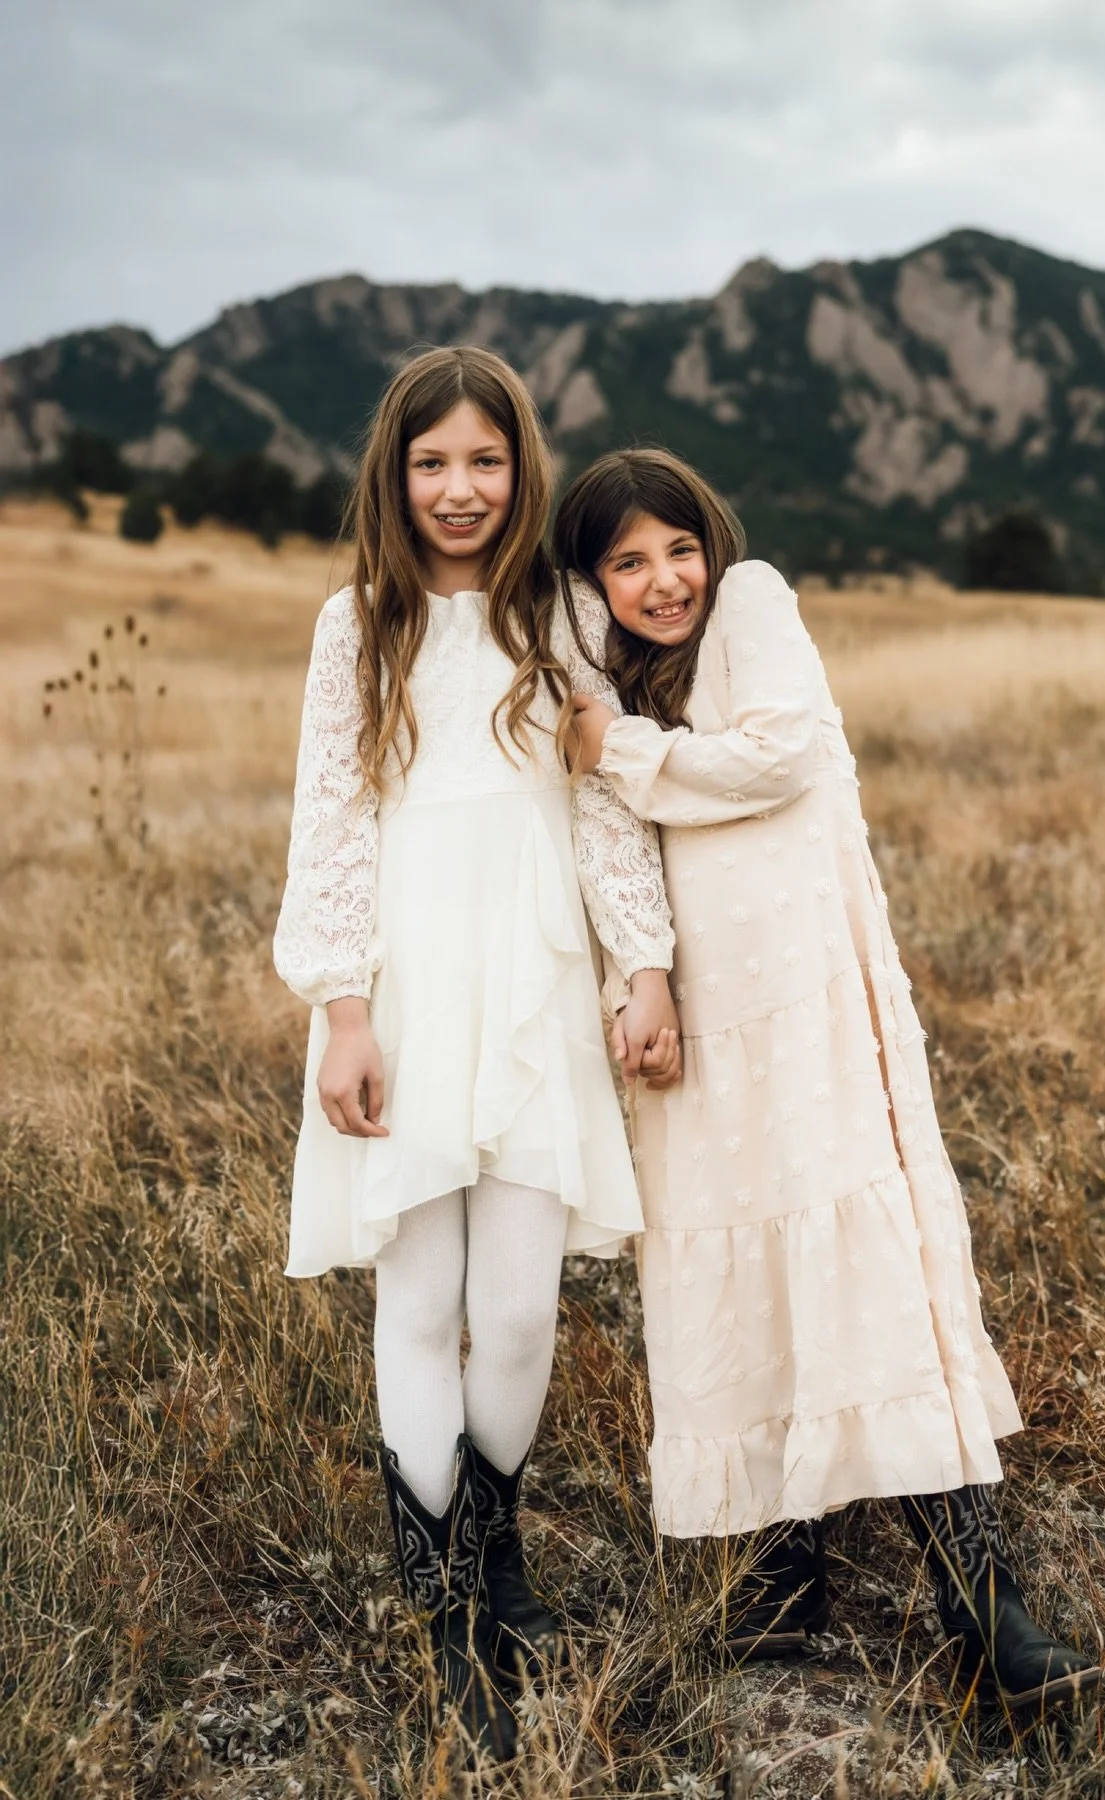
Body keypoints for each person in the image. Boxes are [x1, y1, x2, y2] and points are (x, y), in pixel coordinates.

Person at [555, 448, 1101, 1711]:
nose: (664, 579)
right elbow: (611, 853)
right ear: (591, 583)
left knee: (865, 1282)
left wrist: (623, 752)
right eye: (625, 562)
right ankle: (784, 1567)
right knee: (737, 1275)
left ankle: (987, 1615)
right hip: (700, 1020)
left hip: (807, 1006)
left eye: (676, 546)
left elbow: (779, 756)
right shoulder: (605, 678)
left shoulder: (755, 605)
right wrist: (638, 979)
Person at [272, 350, 679, 1762]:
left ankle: (496, 1538)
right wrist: (341, 1005)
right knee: (420, 1291)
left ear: (523, 471)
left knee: (515, 1308)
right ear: (396, 475)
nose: (460, 488)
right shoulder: (359, 625)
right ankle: (444, 1600)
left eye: (486, 461)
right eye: (432, 463)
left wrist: (643, 966)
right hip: (408, 984)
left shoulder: (560, 614)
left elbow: (602, 809)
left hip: (537, 983)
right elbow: (331, 815)